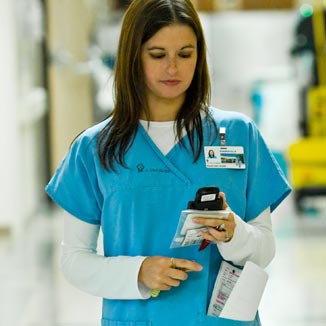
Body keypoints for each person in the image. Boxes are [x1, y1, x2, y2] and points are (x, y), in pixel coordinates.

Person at [45, 0, 291, 325]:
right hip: (137, 317)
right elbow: (74, 260)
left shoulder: (237, 134)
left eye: (185, 54)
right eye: (158, 55)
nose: (173, 68)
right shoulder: (95, 148)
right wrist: (139, 272)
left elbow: (264, 249)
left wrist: (235, 234)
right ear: (133, 57)